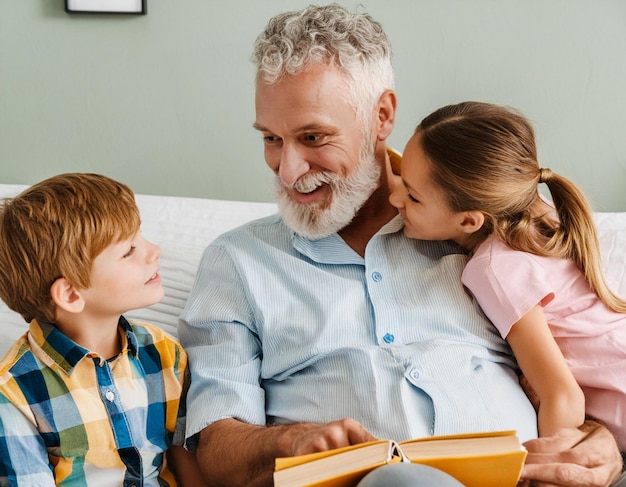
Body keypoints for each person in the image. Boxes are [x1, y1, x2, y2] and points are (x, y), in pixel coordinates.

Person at [178, 4, 625, 487]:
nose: (288, 170)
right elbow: (215, 445)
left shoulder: (483, 240)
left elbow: (580, 372)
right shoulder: (238, 262)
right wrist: (290, 441)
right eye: (271, 138)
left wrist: (602, 444)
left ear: (382, 114)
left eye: (313, 136)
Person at [389, 100, 626, 446]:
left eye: (412, 196)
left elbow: (563, 397)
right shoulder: (544, 219)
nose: (393, 197)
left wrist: (545, 468)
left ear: (470, 220)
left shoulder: (494, 267)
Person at [0, 173, 205, 486]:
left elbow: (185, 459)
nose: (154, 251)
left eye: (141, 238)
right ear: (71, 294)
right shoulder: (12, 392)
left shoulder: (163, 353)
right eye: (129, 251)